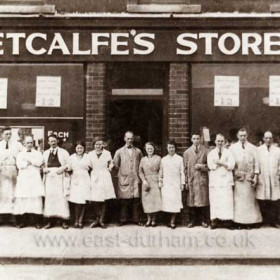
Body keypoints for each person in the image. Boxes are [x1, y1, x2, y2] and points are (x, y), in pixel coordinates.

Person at [230, 128, 262, 229]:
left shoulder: (253, 148)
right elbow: (231, 163)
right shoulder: (232, 147)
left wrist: (256, 176)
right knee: (239, 200)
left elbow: (257, 163)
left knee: (249, 200)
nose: (243, 138)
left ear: (247, 136)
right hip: (238, 177)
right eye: (241, 136)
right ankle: (239, 222)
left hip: (249, 177)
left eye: (244, 135)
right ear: (237, 136)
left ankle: (250, 222)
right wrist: (235, 173)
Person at [14, 135, 44, 229]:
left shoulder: (38, 153)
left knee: (35, 201)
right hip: (24, 180)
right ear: (24, 143)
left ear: (33, 143)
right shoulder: (20, 154)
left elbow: (39, 162)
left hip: (34, 180)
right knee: (24, 201)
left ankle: (37, 222)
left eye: (31, 142)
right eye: (27, 143)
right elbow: (19, 165)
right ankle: (23, 222)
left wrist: (28, 160)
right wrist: (31, 162)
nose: (29, 144)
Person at [113, 131, 143, 226]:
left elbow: (142, 164)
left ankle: (136, 219)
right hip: (124, 179)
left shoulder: (138, 151)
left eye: (131, 138)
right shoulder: (119, 151)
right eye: (128, 138)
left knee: (136, 200)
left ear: (133, 139)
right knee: (124, 201)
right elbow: (115, 166)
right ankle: (123, 219)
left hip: (135, 178)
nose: (129, 140)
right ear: (124, 138)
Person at [207, 134, 235, 229]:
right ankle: (215, 221)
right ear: (215, 141)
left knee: (226, 201)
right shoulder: (211, 153)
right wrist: (222, 164)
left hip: (226, 180)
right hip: (215, 181)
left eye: (222, 141)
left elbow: (231, 165)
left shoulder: (229, 152)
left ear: (225, 142)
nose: (220, 143)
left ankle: (227, 221)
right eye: (218, 141)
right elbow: (211, 166)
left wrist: (220, 163)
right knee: (215, 200)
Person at [43, 134, 70, 229]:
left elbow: (69, 164)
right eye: (51, 141)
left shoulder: (64, 152)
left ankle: (64, 221)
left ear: (57, 141)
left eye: (54, 141)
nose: (53, 143)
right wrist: (44, 169)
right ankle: (50, 221)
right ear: (48, 142)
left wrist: (63, 168)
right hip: (49, 179)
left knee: (61, 199)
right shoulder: (45, 153)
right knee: (50, 199)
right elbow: (42, 165)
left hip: (60, 178)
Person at [183, 133, 209, 228]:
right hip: (192, 179)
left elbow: (210, 166)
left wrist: (202, 166)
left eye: (198, 138)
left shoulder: (206, 151)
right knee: (191, 201)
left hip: (202, 179)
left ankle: (203, 220)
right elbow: (185, 169)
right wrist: (185, 181)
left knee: (202, 200)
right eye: (194, 138)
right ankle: (192, 220)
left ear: (201, 139)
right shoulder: (187, 152)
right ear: (191, 139)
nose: (196, 140)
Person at [88, 137, 116, 229]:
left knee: (104, 198)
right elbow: (88, 165)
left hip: (104, 175)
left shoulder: (107, 153)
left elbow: (111, 162)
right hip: (95, 176)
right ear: (93, 145)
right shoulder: (90, 154)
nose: (98, 146)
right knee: (95, 198)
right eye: (96, 144)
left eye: (100, 144)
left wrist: (110, 167)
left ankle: (102, 220)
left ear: (102, 145)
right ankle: (96, 219)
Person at [159, 140, 185, 229]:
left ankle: (173, 221)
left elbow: (182, 172)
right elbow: (161, 172)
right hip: (166, 184)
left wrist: (182, 183)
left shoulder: (179, 159)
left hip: (175, 183)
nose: (171, 149)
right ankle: (168, 220)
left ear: (175, 148)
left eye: (173, 147)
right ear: (167, 148)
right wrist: (160, 181)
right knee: (167, 202)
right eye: (169, 147)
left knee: (175, 202)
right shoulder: (163, 159)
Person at [0, 127, 23, 225]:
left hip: (13, 170)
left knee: (13, 194)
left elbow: (25, 154)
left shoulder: (17, 145)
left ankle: (13, 218)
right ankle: (1, 218)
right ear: (1, 135)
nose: (8, 136)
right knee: (2, 194)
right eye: (6, 134)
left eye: (10, 134)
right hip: (1, 171)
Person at [256, 131, 280, 228]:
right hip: (263, 177)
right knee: (263, 199)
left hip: (274, 177)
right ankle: (263, 220)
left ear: (272, 139)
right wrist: (257, 175)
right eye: (266, 138)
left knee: (274, 200)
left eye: (270, 138)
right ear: (263, 139)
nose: (268, 140)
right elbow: (256, 164)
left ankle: (274, 221)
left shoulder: (277, 150)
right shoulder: (258, 150)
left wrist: (278, 174)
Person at [68, 141, 91, 229]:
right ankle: (76, 220)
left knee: (83, 201)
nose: (79, 149)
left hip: (85, 179)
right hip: (75, 179)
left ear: (84, 148)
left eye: (81, 148)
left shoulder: (87, 157)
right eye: (78, 148)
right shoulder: (72, 157)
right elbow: (69, 167)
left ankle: (81, 221)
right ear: (75, 149)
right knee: (77, 201)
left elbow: (91, 167)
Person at [139, 142, 161, 227]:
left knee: (155, 201)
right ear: (145, 149)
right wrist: (144, 180)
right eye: (148, 149)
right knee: (147, 201)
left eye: (151, 148)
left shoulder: (158, 158)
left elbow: (161, 170)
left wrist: (159, 179)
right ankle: (148, 219)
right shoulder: (143, 159)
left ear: (154, 149)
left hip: (155, 180)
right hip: (146, 182)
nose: (150, 150)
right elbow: (140, 171)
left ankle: (154, 220)